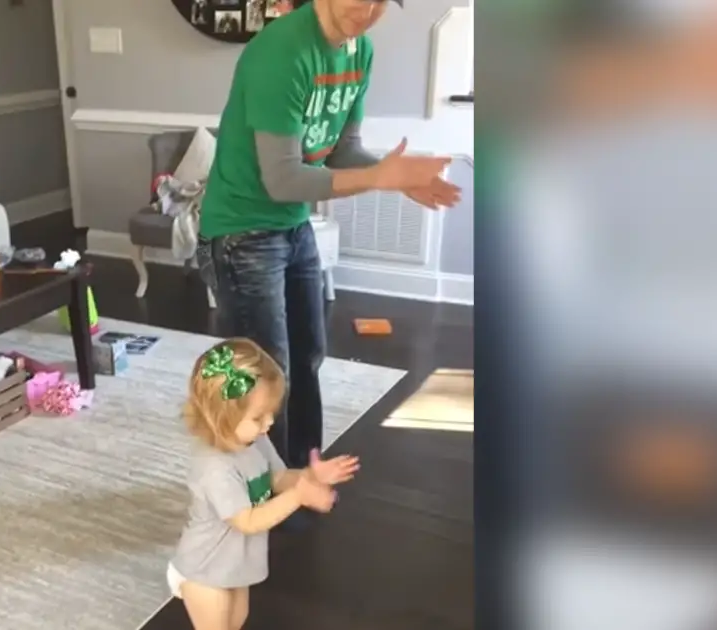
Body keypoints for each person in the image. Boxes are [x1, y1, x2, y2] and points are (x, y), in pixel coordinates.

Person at [197, 0, 460, 481]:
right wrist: (378, 178)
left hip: (292, 227)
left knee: (306, 356)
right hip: (242, 232)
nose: (368, 8)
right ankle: (259, 489)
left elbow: (343, 151)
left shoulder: (359, 51)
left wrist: (395, 177)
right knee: (261, 377)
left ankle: (303, 471)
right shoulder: (282, 53)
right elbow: (283, 179)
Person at [168, 339, 361, 630]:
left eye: (270, 412)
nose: (269, 422)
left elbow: (279, 478)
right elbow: (247, 520)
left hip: (235, 565)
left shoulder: (254, 439)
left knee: (237, 621)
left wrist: (310, 476)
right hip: (204, 570)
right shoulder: (214, 467)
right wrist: (299, 496)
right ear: (221, 417)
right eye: (258, 417)